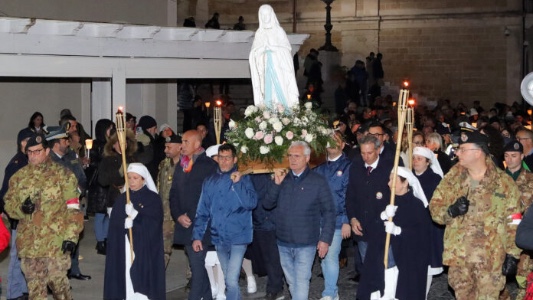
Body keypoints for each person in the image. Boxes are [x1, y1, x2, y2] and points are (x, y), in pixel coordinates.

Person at [429, 127, 522, 299]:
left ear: (478, 152)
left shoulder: (504, 183)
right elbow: (434, 208)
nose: (458, 153)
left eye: (463, 149)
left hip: (491, 260)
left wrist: (513, 255)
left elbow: (514, 221)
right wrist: (450, 211)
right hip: (460, 259)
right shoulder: (452, 178)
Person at [4, 134, 84, 299]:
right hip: (29, 243)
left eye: (37, 151)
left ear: (47, 151)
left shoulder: (63, 175)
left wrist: (71, 237)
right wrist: (21, 209)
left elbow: (74, 209)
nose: (33, 156)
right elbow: (8, 205)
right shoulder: (19, 177)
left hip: (56, 241)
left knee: (59, 286)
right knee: (35, 291)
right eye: (30, 152)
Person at [263, 141, 336, 300]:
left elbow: (329, 211)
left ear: (307, 158)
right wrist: (276, 184)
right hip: (283, 241)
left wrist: (325, 239)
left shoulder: (318, 181)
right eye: (290, 156)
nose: (292, 159)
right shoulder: (282, 179)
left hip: (306, 242)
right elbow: (267, 204)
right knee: (292, 282)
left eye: (297, 156)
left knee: (301, 281)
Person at [192, 144, 258, 299]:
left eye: (227, 158)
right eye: (221, 158)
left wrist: (238, 184)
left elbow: (251, 203)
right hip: (219, 236)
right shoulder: (209, 181)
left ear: (234, 159)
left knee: (231, 279)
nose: (224, 161)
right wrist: (197, 236)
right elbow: (202, 210)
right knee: (230, 280)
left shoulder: (244, 178)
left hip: (239, 236)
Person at [104, 163, 166, 300]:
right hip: (124, 246)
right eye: (129, 178)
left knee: (140, 274)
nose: (131, 181)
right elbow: (115, 223)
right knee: (125, 274)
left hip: (143, 248)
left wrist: (137, 219)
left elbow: (154, 225)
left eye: (135, 178)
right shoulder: (123, 198)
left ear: (143, 179)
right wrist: (123, 223)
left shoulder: (152, 199)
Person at [345, 134, 395, 300]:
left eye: (369, 153)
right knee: (369, 268)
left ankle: (390, 295)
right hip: (363, 229)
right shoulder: (356, 167)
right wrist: (352, 218)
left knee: (389, 267)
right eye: (363, 153)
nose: (366, 157)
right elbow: (350, 196)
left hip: (384, 230)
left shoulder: (389, 168)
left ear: (378, 150)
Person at [169, 130, 218, 300]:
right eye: (182, 141)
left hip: (201, 226)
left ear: (197, 145)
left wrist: (192, 217)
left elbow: (208, 198)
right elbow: (173, 193)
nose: (182, 145)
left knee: (197, 269)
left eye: (186, 142)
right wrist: (178, 215)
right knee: (198, 268)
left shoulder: (209, 166)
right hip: (184, 223)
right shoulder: (182, 165)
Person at [46, 125, 91, 281]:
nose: (67, 142)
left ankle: (74, 269)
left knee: (74, 236)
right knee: (57, 242)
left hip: (73, 203)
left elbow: (82, 177)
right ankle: (58, 277)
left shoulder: (71, 155)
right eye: (64, 140)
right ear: (56, 143)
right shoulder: (48, 160)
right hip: (57, 208)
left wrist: (79, 191)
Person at [379, 166, 432, 299]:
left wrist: (398, 230)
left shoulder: (415, 205)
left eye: (393, 180)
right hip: (390, 256)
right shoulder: (388, 200)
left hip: (409, 258)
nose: (389, 183)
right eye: (389, 179)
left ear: (405, 182)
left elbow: (421, 234)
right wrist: (383, 215)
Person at [313, 133, 352, 300]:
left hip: (337, 220)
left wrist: (346, 220)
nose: (332, 144)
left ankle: (330, 292)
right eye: (329, 141)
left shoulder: (350, 166)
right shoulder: (319, 168)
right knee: (324, 256)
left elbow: (350, 196)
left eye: (336, 141)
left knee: (330, 256)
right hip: (318, 219)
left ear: (342, 145)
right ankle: (332, 290)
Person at [0, 129, 32, 300]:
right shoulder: (17, 163)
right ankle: (13, 293)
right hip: (17, 216)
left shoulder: (28, 161)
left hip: (28, 217)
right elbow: (5, 191)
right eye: (28, 140)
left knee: (25, 255)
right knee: (16, 256)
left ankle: (23, 289)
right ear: (22, 143)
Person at [249, 4, 299, 111]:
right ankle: (269, 114)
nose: (265, 17)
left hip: (279, 68)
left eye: (267, 14)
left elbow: (286, 50)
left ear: (271, 15)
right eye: (262, 15)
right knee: (267, 92)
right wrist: (261, 51)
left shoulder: (278, 31)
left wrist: (274, 48)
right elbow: (253, 53)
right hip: (265, 69)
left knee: (281, 90)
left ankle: (283, 110)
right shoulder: (259, 33)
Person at [502, 140, 533, 299]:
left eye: (514, 156)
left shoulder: (531, 180)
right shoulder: (497, 179)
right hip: (500, 234)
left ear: (522, 156)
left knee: (524, 279)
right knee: (497, 280)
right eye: (507, 156)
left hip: (522, 236)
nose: (510, 159)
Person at [411, 146, 444, 296]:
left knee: (426, 264)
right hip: (410, 227)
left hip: (428, 228)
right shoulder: (408, 177)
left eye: (419, 159)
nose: (415, 162)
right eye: (413, 158)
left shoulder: (434, 179)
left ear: (428, 162)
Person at [87, 119, 115, 255]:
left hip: (108, 181)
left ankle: (107, 238)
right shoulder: (97, 145)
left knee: (108, 213)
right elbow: (96, 162)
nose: (111, 131)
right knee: (100, 213)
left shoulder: (111, 144)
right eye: (110, 129)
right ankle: (100, 241)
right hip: (99, 183)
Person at [157, 133, 182, 268]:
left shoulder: (187, 164)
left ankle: (192, 277)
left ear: (179, 147)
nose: (166, 150)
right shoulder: (163, 164)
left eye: (169, 147)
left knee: (189, 247)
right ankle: (159, 274)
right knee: (164, 246)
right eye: (165, 147)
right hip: (166, 213)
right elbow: (159, 186)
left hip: (182, 212)